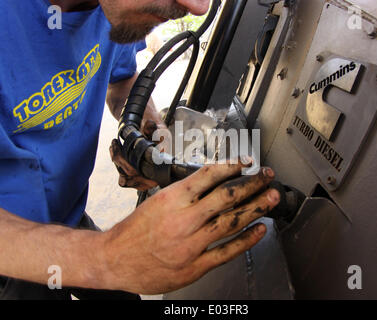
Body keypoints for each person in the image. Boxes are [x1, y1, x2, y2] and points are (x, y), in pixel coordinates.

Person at [0, 0, 280, 299]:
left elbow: (121, 82)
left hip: (65, 214)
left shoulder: (110, 10)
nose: (198, 7)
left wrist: (146, 129)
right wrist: (105, 258)